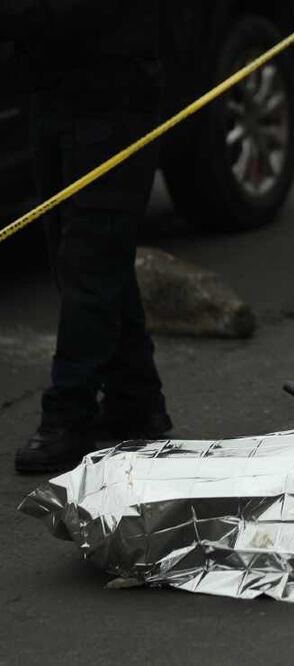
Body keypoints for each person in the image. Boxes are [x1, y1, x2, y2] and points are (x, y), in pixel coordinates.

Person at [1, 1, 172, 473]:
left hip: (112, 100)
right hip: (53, 96)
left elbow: (67, 14)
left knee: (89, 262)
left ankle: (67, 415)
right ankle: (136, 398)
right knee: (86, 257)